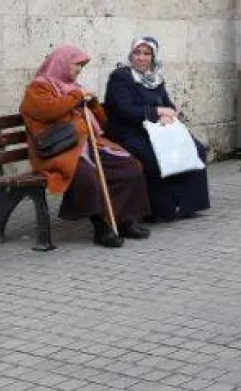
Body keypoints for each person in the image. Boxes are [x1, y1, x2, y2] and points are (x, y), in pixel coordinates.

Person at [20, 44, 151, 247]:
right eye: (77, 65)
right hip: (58, 150)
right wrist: (77, 97)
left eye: (82, 66)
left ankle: (124, 220)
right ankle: (101, 227)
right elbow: (48, 111)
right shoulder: (38, 88)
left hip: (87, 144)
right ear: (61, 63)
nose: (79, 70)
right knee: (87, 175)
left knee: (128, 165)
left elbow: (102, 123)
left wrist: (93, 105)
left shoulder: (74, 88)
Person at [102, 37, 211, 223]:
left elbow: (168, 104)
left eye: (147, 54)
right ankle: (159, 209)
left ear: (153, 57)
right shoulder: (121, 76)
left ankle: (188, 204)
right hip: (129, 131)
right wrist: (157, 112)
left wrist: (168, 115)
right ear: (131, 54)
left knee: (197, 149)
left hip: (156, 129)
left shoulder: (156, 78)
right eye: (137, 53)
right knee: (156, 156)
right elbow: (124, 109)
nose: (141, 58)